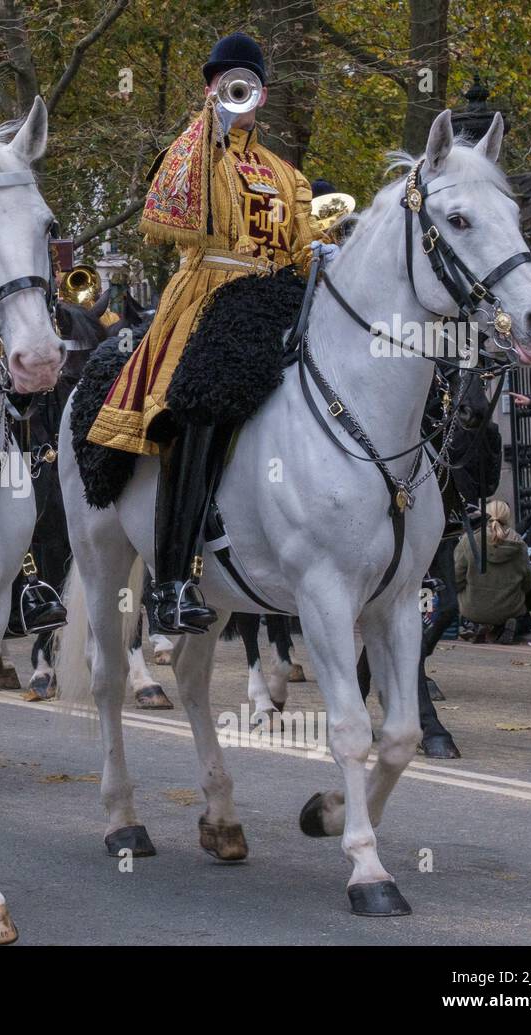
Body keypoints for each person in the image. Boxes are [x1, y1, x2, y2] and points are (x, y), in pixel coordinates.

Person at [86, 32, 333, 634]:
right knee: (198, 406)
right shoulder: (190, 152)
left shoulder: (289, 176)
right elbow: (167, 214)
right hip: (209, 297)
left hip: (277, 296)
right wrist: (209, 129)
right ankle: (172, 578)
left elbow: (302, 248)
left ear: (264, 96)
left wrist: (323, 256)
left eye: (247, 84)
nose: (238, 93)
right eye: (226, 83)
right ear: (210, 90)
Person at [454, 501, 531, 644]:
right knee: (527, 621)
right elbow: (528, 582)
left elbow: (456, 578)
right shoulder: (519, 544)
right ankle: (506, 627)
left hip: (473, 608)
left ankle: (476, 625)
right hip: (509, 609)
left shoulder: (469, 540)